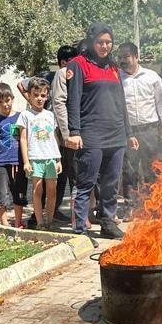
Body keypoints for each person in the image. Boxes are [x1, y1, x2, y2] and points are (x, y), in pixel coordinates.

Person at [66, 22, 138, 239]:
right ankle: (79, 227)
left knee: (111, 183)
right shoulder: (77, 65)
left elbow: (121, 103)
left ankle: (108, 222)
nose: (105, 46)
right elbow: (73, 100)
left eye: (108, 42)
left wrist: (129, 133)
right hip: (91, 134)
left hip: (116, 134)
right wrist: (74, 131)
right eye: (100, 42)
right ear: (91, 41)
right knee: (86, 182)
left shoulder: (114, 67)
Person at [118, 42, 162, 208]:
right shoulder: (116, 78)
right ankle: (130, 207)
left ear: (136, 57)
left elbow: (161, 102)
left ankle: (153, 206)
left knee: (151, 169)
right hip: (128, 132)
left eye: (126, 56)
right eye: (119, 57)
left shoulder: (152, 77)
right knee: (129, 171)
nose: (122, 60)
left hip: (150, 131)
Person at [46, 43, 82, 226]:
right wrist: (67, 134)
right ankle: (51, 212)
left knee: (71, 174)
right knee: (66, 174)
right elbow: (60, 105)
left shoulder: (78, 74)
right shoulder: (62, 74)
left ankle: (67, 211)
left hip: (77, 134)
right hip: (64, 136)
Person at [19, 77, 63, 231]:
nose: (39, 99)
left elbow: (54, 138)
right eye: (35, 95)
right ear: (29, 95)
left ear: (47, 97)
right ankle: (40, 222)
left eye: (43, 96)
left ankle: (50, 221)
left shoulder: (50, 115)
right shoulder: (25, 115)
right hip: (35, 158)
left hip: (50, 158)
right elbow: (23, 139)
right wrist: (26, 161)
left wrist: (58, 159)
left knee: (52, 191)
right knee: (38, 190)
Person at [0, 82, 26, 228]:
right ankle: (4, 222)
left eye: (7, 100)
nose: (5, 104)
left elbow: (25, 139)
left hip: (19, 162)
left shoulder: (21, 118)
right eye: (0, 102)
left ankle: (17, 221)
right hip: (1, 163)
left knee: (19, 193)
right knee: (1, 194)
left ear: (13, 98)